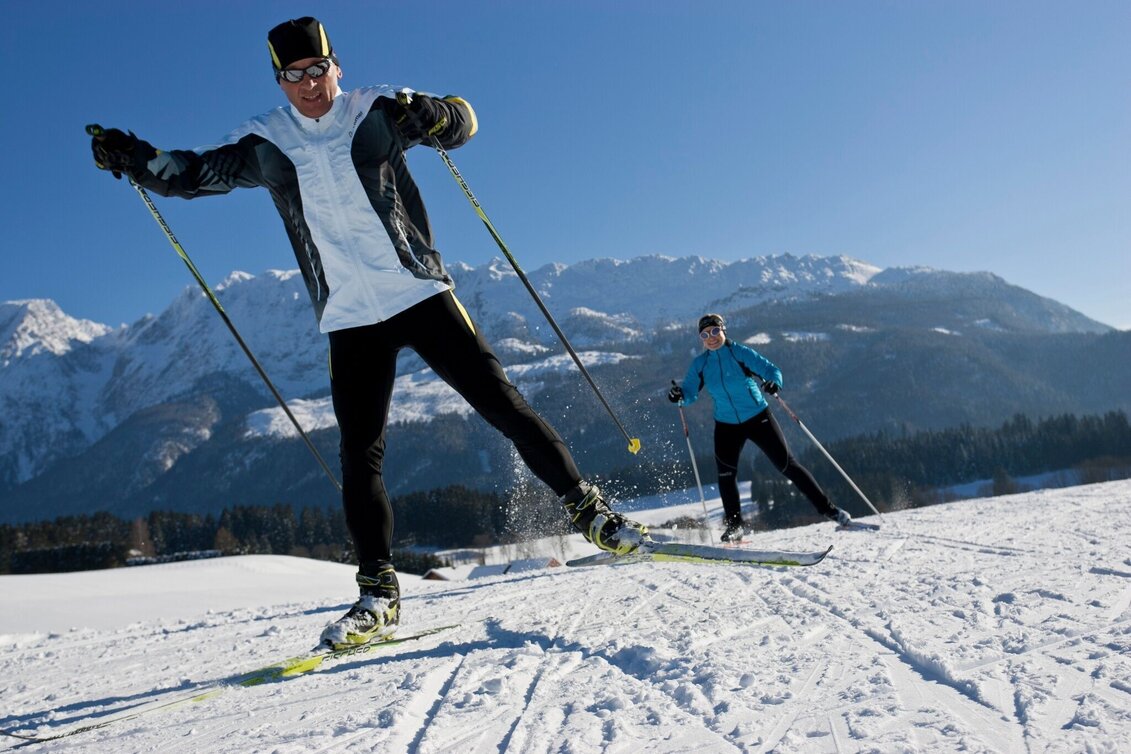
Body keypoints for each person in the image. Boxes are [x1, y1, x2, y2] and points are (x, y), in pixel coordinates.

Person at [90, 16, 647, 648]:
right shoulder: (263, 142)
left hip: (418, 292)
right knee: (361, 454)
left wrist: (437, 114)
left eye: (317, 70)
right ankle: (378, 594)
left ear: (336, 66)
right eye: (293, 76)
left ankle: (592, 516)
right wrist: (133, 157)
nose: (308, 84)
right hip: (351, 317)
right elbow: (187, 175)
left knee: (503, 405)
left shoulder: (378, 111)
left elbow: (462, 122)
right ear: (280, 80)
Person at [668, 313, 850, 541]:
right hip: (726, 425)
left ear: (723, 330)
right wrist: (679, 396)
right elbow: (690, 394)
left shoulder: (740, 353)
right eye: (705, 334)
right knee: (726, 476)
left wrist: (775, 383)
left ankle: (830, 510)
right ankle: (735, 526)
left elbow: (772, 371)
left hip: (757, 417)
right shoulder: (701, 364)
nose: (711, 337)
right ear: (701, 339)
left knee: (787, 465)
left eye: (715, 331)